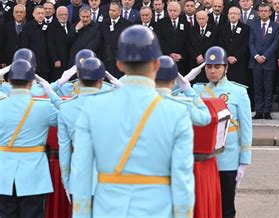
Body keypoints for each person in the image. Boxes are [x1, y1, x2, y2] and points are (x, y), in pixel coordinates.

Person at [71, 25, 195, 217]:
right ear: (156, 64)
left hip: (108, 210)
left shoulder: (93, 109)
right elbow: (183, 180)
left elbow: (81, 174)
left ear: (119, 64)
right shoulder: (177, 112)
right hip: (157, 210)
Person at [193, 46, 252, 218]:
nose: (212, 71)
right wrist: (187, 78)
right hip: (202, 159)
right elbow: (170, 95)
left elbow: (246, 128)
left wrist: (244, 161)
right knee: (203, 206)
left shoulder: (239, 92)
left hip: (228, 159)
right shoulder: (197, 90)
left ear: (226, 67)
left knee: (226, 207)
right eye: (209, 67)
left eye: (217, 66)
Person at [0, 59, 58, 218]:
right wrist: (51, 93)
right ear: (32, 82)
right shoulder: (44, 107)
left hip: (3, 175)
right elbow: (69, 118)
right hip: (34, 175)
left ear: (9, 81)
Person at [58, 57, 107, 198]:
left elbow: (64, 150)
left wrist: (66, 182)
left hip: (79, 179)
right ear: (101, 80)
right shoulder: (115, 104)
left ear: (78, 79)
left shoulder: (65, 108)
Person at [155, 55, 211, 126]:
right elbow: (205, 118)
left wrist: (178, 87)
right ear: (173, 80)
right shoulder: (183, 104)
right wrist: (187, 89)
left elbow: (164, 94)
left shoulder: (141, 100)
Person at [249, 3, 279, 119]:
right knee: (257, 87)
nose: (263, 13)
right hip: (255, 62)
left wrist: (265, 56)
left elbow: (275, 43)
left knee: (268, 87)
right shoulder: (253, 25)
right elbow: (251, 42)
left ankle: (267, 111)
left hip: (269, 61)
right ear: (258, 13)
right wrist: (256, 56)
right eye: (261, 11)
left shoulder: (276, 26)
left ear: (270, 12)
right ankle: (259, 110)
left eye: (266, 11)